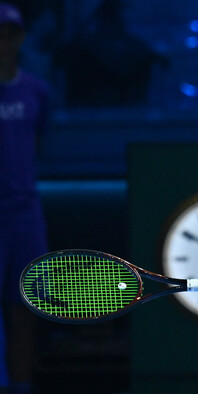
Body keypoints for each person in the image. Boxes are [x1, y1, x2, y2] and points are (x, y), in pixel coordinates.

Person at [0, 3, 49, 393]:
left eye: (9, 33)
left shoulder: (36, 90)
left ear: (20, 38)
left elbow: (37, 140)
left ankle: (20, 387)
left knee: (24, 310)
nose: (3, 41)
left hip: (25, 215)